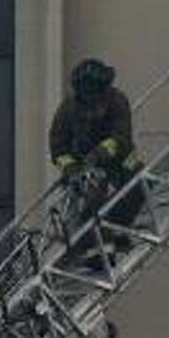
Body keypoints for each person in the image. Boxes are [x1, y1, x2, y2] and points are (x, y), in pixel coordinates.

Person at [49, 58, 144, 237]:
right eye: (86, 95)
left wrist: (100, 153)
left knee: (140, 187)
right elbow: (58, 147)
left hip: (121, 160)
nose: (91, 100)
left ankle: (120, 231)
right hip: (84, 167)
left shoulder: (117, 100)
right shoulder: (68, 109)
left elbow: (121, 137)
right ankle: (92, 241)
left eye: (95, 94)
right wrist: (70, 168)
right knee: (91, 204)